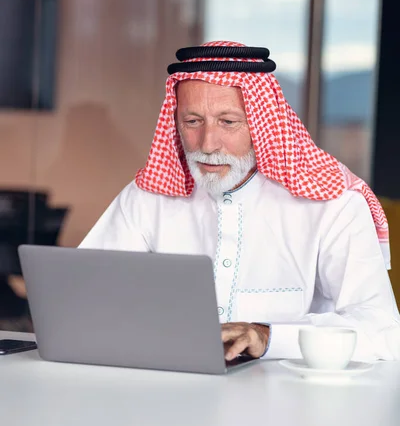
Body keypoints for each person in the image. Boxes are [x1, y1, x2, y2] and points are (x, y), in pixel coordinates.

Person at [80, 41, 400, 361]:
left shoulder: (332, 203)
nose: (207, 143)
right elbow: (85, 296)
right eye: (193, 121)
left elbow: (382, 331)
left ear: (261, 124)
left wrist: (268, 336)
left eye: (228, 122)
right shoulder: (147, 197)